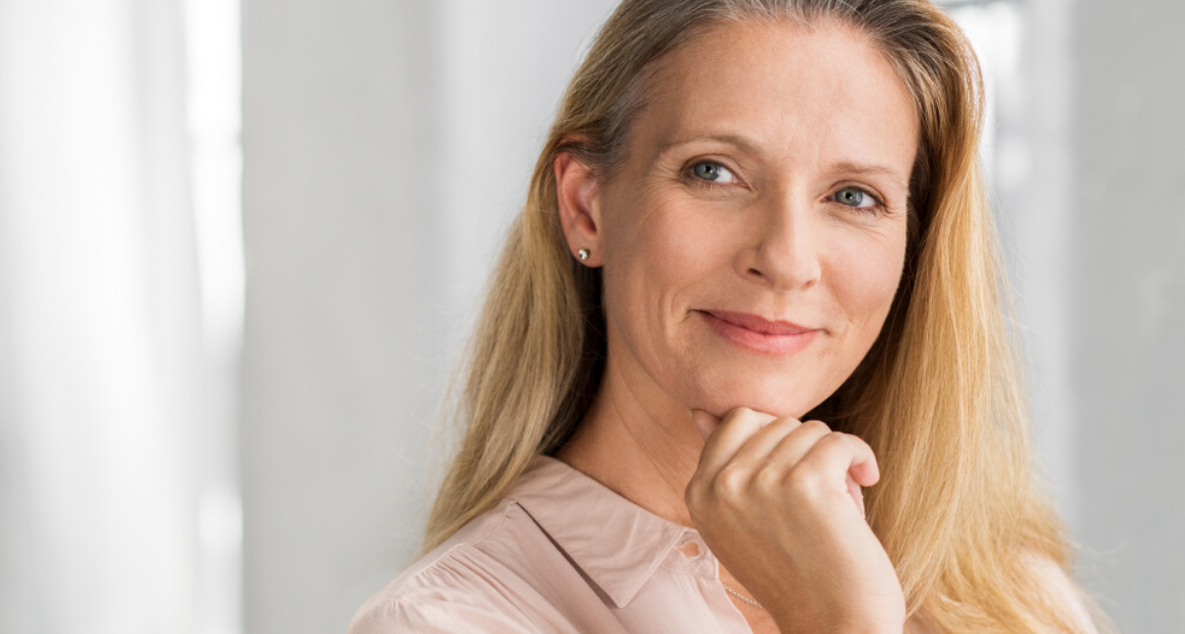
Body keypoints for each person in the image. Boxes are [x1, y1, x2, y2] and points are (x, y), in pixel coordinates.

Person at [351, 1, 1110, 632]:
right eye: (714, 171)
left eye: (854, 196)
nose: (785, 258)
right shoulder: (446, 621)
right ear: (586, 207)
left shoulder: (1011, 595)